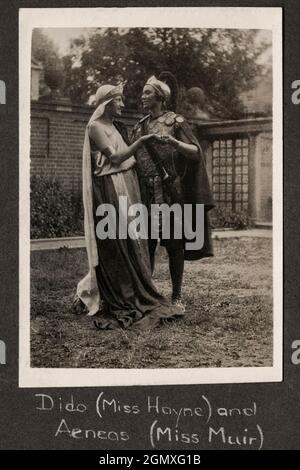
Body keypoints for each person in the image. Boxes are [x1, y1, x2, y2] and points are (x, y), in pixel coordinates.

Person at [74, 83, 183, 330]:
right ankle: (117, 292)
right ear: (107, 103)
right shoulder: (95, 127)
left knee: (131, 240)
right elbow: (115, 158)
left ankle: (135, 287)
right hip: (112, 185)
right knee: (117, 241)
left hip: (127, 182)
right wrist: (143, 140)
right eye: (119, 101)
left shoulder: (115, 126)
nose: (123, 104)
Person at [132, 76, 214, 310]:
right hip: (144, 192)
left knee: (173, 245)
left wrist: (174, 143)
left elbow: (196, 152)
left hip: (169, 192)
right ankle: (146, 294)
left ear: (160, 96)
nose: (142, 96)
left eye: (147, 92)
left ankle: (176, 296)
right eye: (143, 93)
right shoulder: (139, 126)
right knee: (146, 244)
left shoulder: (175, 122)